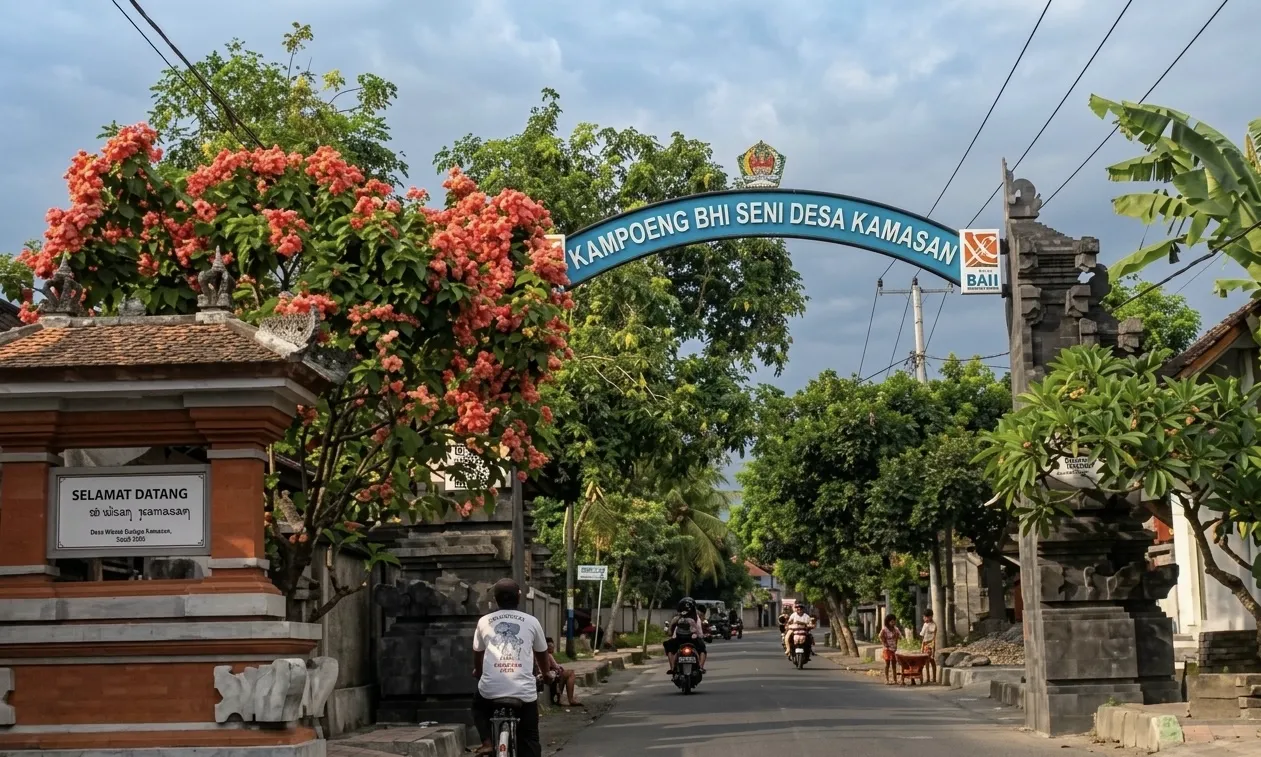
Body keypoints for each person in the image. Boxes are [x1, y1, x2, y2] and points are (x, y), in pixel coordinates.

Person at [471, 578, 549, 757]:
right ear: (519, 597)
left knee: (478, 706)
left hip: (491, 690)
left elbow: (478, 653)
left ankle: (487, 743)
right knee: (529, 737)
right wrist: (546, 674)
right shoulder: (531, 621)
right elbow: (542, 653)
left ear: (495, 598)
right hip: (524, 692)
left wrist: (479, 672)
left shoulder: (484, 621)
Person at [663, 597, 707, 674]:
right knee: (702, 650)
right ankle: (700, 667)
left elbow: (670, 632)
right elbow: (699, 632)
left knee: (669, 648)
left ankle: (672, 668)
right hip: (693, 640)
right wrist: (702, 636)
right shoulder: (696, 618)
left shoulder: (676, 618)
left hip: (679, 640)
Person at [540, 637, 581, 707]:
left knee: (567, 673)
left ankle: (563, 698)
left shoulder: (542, 654)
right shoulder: (548, 655)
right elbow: (557, 667)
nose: (552, 648)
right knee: (570, 673)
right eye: (550, 646)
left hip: (546, 675)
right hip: (548, 676)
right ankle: (570, 699)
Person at [879, 614, 901, 685]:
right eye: (891, 621)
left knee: (894, 664)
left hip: (894, 649)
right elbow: (880, 636)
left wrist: (897, 637)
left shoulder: (896, 629)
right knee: (887, 664)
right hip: (887, 649)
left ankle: (895, 680)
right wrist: (884, 643)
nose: (893, 623)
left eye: (894, 621)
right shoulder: (884, 629)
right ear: (888, 622)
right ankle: (886, 679)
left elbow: (900, 636)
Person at [919, 609, 938, 684]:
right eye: (924, 617)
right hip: (925, 644)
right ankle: (928, 678)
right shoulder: (925, 624)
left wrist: (933, 646)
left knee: (931, 661)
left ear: (930, 617)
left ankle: (934, 678)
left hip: (931, 644)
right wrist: (922, 646)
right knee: (926, 662)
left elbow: (934, 636)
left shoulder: (933, 625)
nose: (925, 618)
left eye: (926, 617)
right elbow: (922, 635)